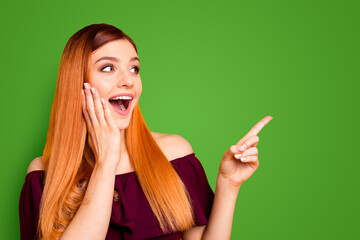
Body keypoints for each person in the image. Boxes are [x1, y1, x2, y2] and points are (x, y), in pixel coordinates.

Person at [19, 23, 273, 240]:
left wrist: (228, 185)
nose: (128, 80)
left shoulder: (174, 154)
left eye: (134, 68)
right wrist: (106, 162)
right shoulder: (43, 175)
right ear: (77, 83)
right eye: (108, 68)